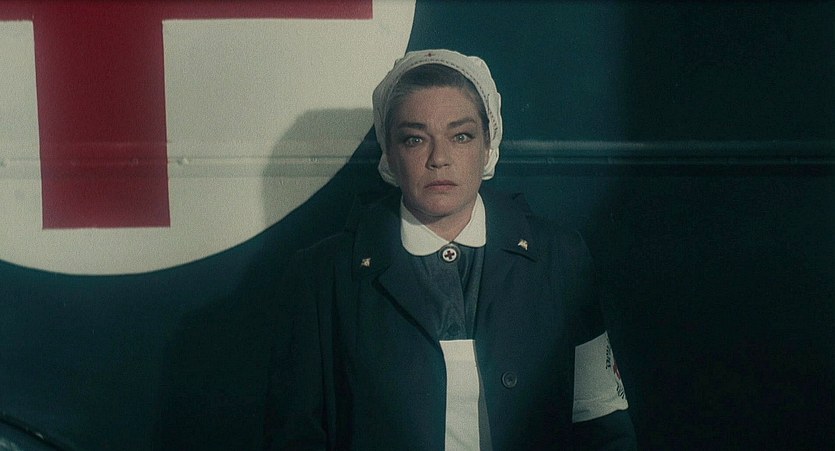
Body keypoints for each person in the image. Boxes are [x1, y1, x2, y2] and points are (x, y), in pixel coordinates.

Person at [264, 49, 636, 450]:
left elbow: (601, 420)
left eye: (461, 136)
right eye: (415, 139)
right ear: (390, 153)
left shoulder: (560, 258)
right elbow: (295, 438)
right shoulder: (323, 275)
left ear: (488, 144)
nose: (439, 159)